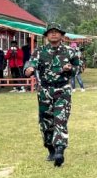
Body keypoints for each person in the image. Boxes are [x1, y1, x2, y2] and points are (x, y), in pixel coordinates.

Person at [24, 23, 80, 167]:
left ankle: (60, 150)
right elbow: (30, 64)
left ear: (61, 35)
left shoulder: (69, 51)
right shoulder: (40, 51)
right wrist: (29, 69)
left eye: (57, 32)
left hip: (62, 90)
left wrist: (71, 68)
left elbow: (79, 68)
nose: (54, 34)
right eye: (51, 32)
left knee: (60, 119)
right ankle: (50, 148)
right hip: (45, 91)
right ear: (47, 35)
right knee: (46, 123)